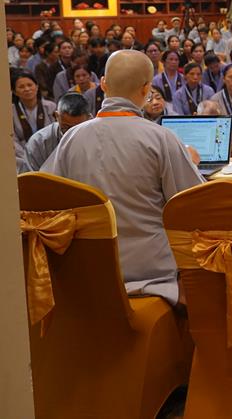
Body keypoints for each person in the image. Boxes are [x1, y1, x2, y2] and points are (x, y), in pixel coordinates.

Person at [44, 50, 205, 305]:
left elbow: (48, 201)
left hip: (88, 269)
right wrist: (190, 163)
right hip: (152, 271)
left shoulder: (71, 139)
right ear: (146, 89)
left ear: (103, 84)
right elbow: (193, 206)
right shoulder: (160, 138)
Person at [20, 92, 92, 173]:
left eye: (78, 128)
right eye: (66, 127)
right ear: (57, 116)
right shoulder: (39, 142)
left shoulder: (96, 135)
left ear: (89, 118)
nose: (71, 133)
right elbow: (29, 177)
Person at [12, 70, 57, 152]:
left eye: (30, 85)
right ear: (15, 92)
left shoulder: (51, 107)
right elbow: (13, 140)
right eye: (21, 87)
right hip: (22, 155)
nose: (27, 89)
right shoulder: (11, 111)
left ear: (37, 87)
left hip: (50, 152)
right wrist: (25, 157)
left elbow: (56, 133)